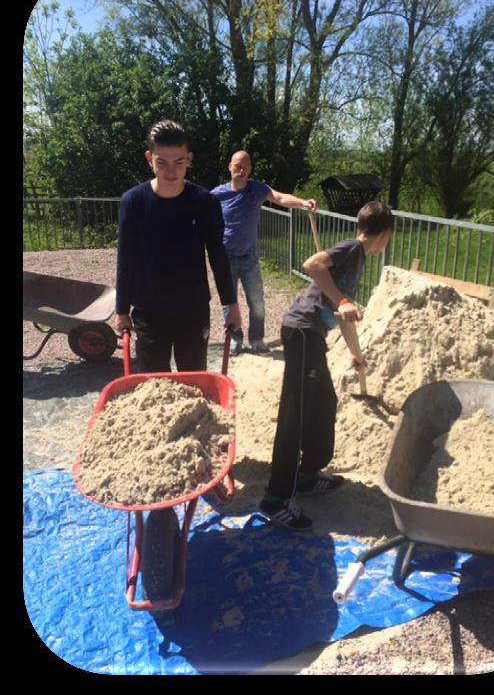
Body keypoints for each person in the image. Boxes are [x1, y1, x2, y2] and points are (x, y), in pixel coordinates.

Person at [258, 201, 395, 531]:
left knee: (324, 404)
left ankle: (307, 476)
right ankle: (275, 499)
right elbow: (313, 264)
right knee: (297, 414)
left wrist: (355, 352)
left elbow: (340, 311)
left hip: (312, 334)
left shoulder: (357, 259)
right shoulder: (352, 248)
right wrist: (342, 299)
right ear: (385, 234)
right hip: (301, 331)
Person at [115, 119, 241, 372]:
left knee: (193, 378)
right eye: (162, 162)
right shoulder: (134, 202)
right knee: (154, 382)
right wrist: (121, 310)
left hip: (192, 309)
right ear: (149, 157)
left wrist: (232, 305)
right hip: (148, 310)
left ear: (189, 158)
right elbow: (126, 259)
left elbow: (217, 256)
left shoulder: (204, 203)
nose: (171, 171)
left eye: (179, 162)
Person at [211, 150, 317, 355]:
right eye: (237, 166)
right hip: (226, 258)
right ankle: (235, 339)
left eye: (245, 167)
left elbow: (279, 197)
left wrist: (303, 202)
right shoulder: (217, 195)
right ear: (230, 167)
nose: (241, 170)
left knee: (257, 302)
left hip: (249, 257)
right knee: (228, 302)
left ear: (249, 169)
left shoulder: (257, 189)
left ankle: (257, 340)